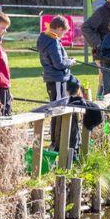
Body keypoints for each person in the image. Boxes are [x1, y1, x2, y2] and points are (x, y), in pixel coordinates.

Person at [37, 15, 81, 150]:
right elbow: (59, 63)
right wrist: (71, 62)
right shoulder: (53, 41)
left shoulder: (45, 38)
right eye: (64, 32)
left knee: (57, 108)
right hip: (57, 79)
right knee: (58, 109)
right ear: (59, 29)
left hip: (54, 79)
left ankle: (57, 139)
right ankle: (56, 142)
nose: (63, 35)